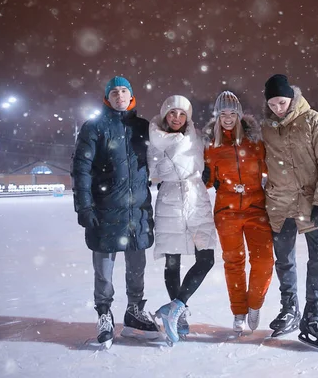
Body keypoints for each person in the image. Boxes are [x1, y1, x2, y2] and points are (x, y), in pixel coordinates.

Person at [71, 76, 159, 348]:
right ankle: (104, 313)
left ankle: (134, 310)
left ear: (131, 95)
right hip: (105, 211)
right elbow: (81, 168)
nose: (120, 96)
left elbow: (163, 157)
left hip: (137, 212)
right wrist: (84, 206)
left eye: (124, 91)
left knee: (137, 265)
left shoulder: (144, 127)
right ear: (107, 97)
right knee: (104, 268)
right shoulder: (95, 127)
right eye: (114, 92)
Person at [261, 74, 318, 350]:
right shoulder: (266, 128)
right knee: (284, 261)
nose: (277, 108)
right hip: (280, 207)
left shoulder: (313, 121)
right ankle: (289, 308)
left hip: (312, 205)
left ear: (291, 98)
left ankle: (313, 316)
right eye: (272, 104)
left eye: (281, 102)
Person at [203, 91, 274, 336]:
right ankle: (238, 312)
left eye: (232, 113)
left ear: (240, 114)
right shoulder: (211, 146)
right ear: (217, 116)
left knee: (264, 261)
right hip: (227, 212)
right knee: (234, 264)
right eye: (223, 113)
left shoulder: (255, 142)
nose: (228, 118)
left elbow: (271, 169)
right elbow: (207, 182)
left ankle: (254, 303)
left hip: (256, 209)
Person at [148, 95, 217, 345]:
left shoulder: (197, 136)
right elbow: (155, 171)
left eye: (181, 114)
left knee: (206, 257)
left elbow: (206, 160)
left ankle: (175, 307)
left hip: (197, 198)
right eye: (172, 113)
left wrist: (207, 173)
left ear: (188, 116)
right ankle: (179, 316)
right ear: (165, 115)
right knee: (172, 261)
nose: (176, 118)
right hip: (170, 201)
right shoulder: (156, 138)